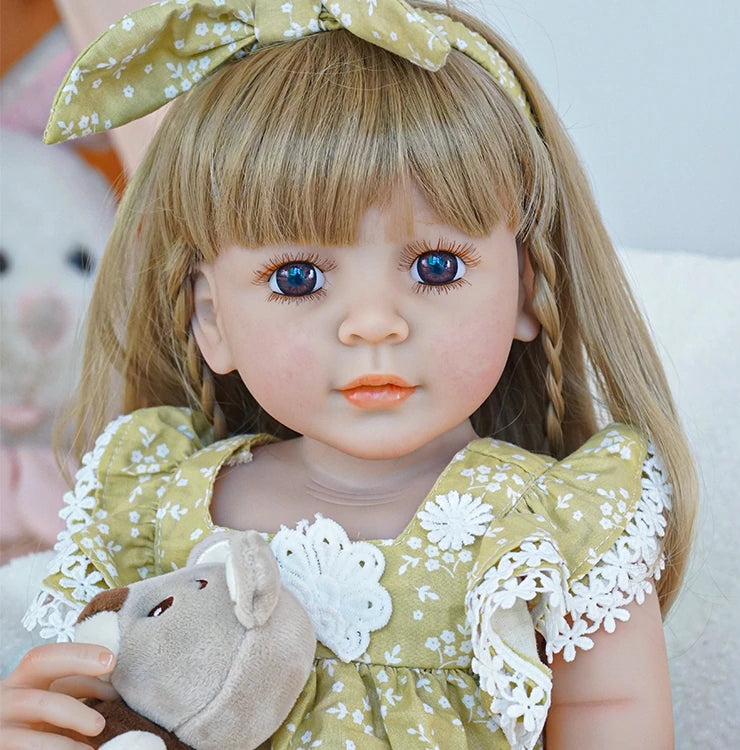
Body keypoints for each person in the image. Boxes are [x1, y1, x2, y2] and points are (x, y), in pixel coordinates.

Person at [0, 1, 697, 748]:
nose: (373, 324)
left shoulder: (558, 533)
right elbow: (83, 697)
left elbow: (614, 727)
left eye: (436, 267)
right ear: (211, 318)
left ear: (529, 288)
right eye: (297, 278)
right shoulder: (151, 508)